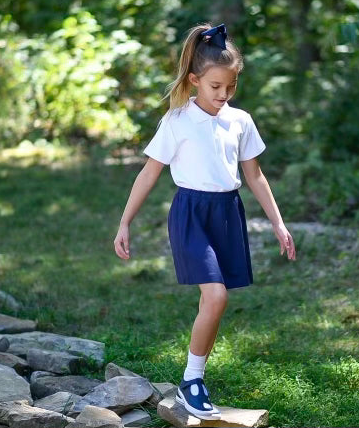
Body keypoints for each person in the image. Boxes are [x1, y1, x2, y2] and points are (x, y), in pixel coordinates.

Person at [114, 22, 296, 420]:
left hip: (228, 214)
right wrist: (125, 223)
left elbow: (255, 176)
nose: (223, 94)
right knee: (216, 296)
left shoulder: (241, 121)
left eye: (230, 86)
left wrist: (279, 224)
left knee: (213, 300)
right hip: (191, 215)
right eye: (215, 86)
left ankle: (193, 379)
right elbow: (149, 173)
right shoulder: (177, 121)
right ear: (195, 79)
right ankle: (192, 381)